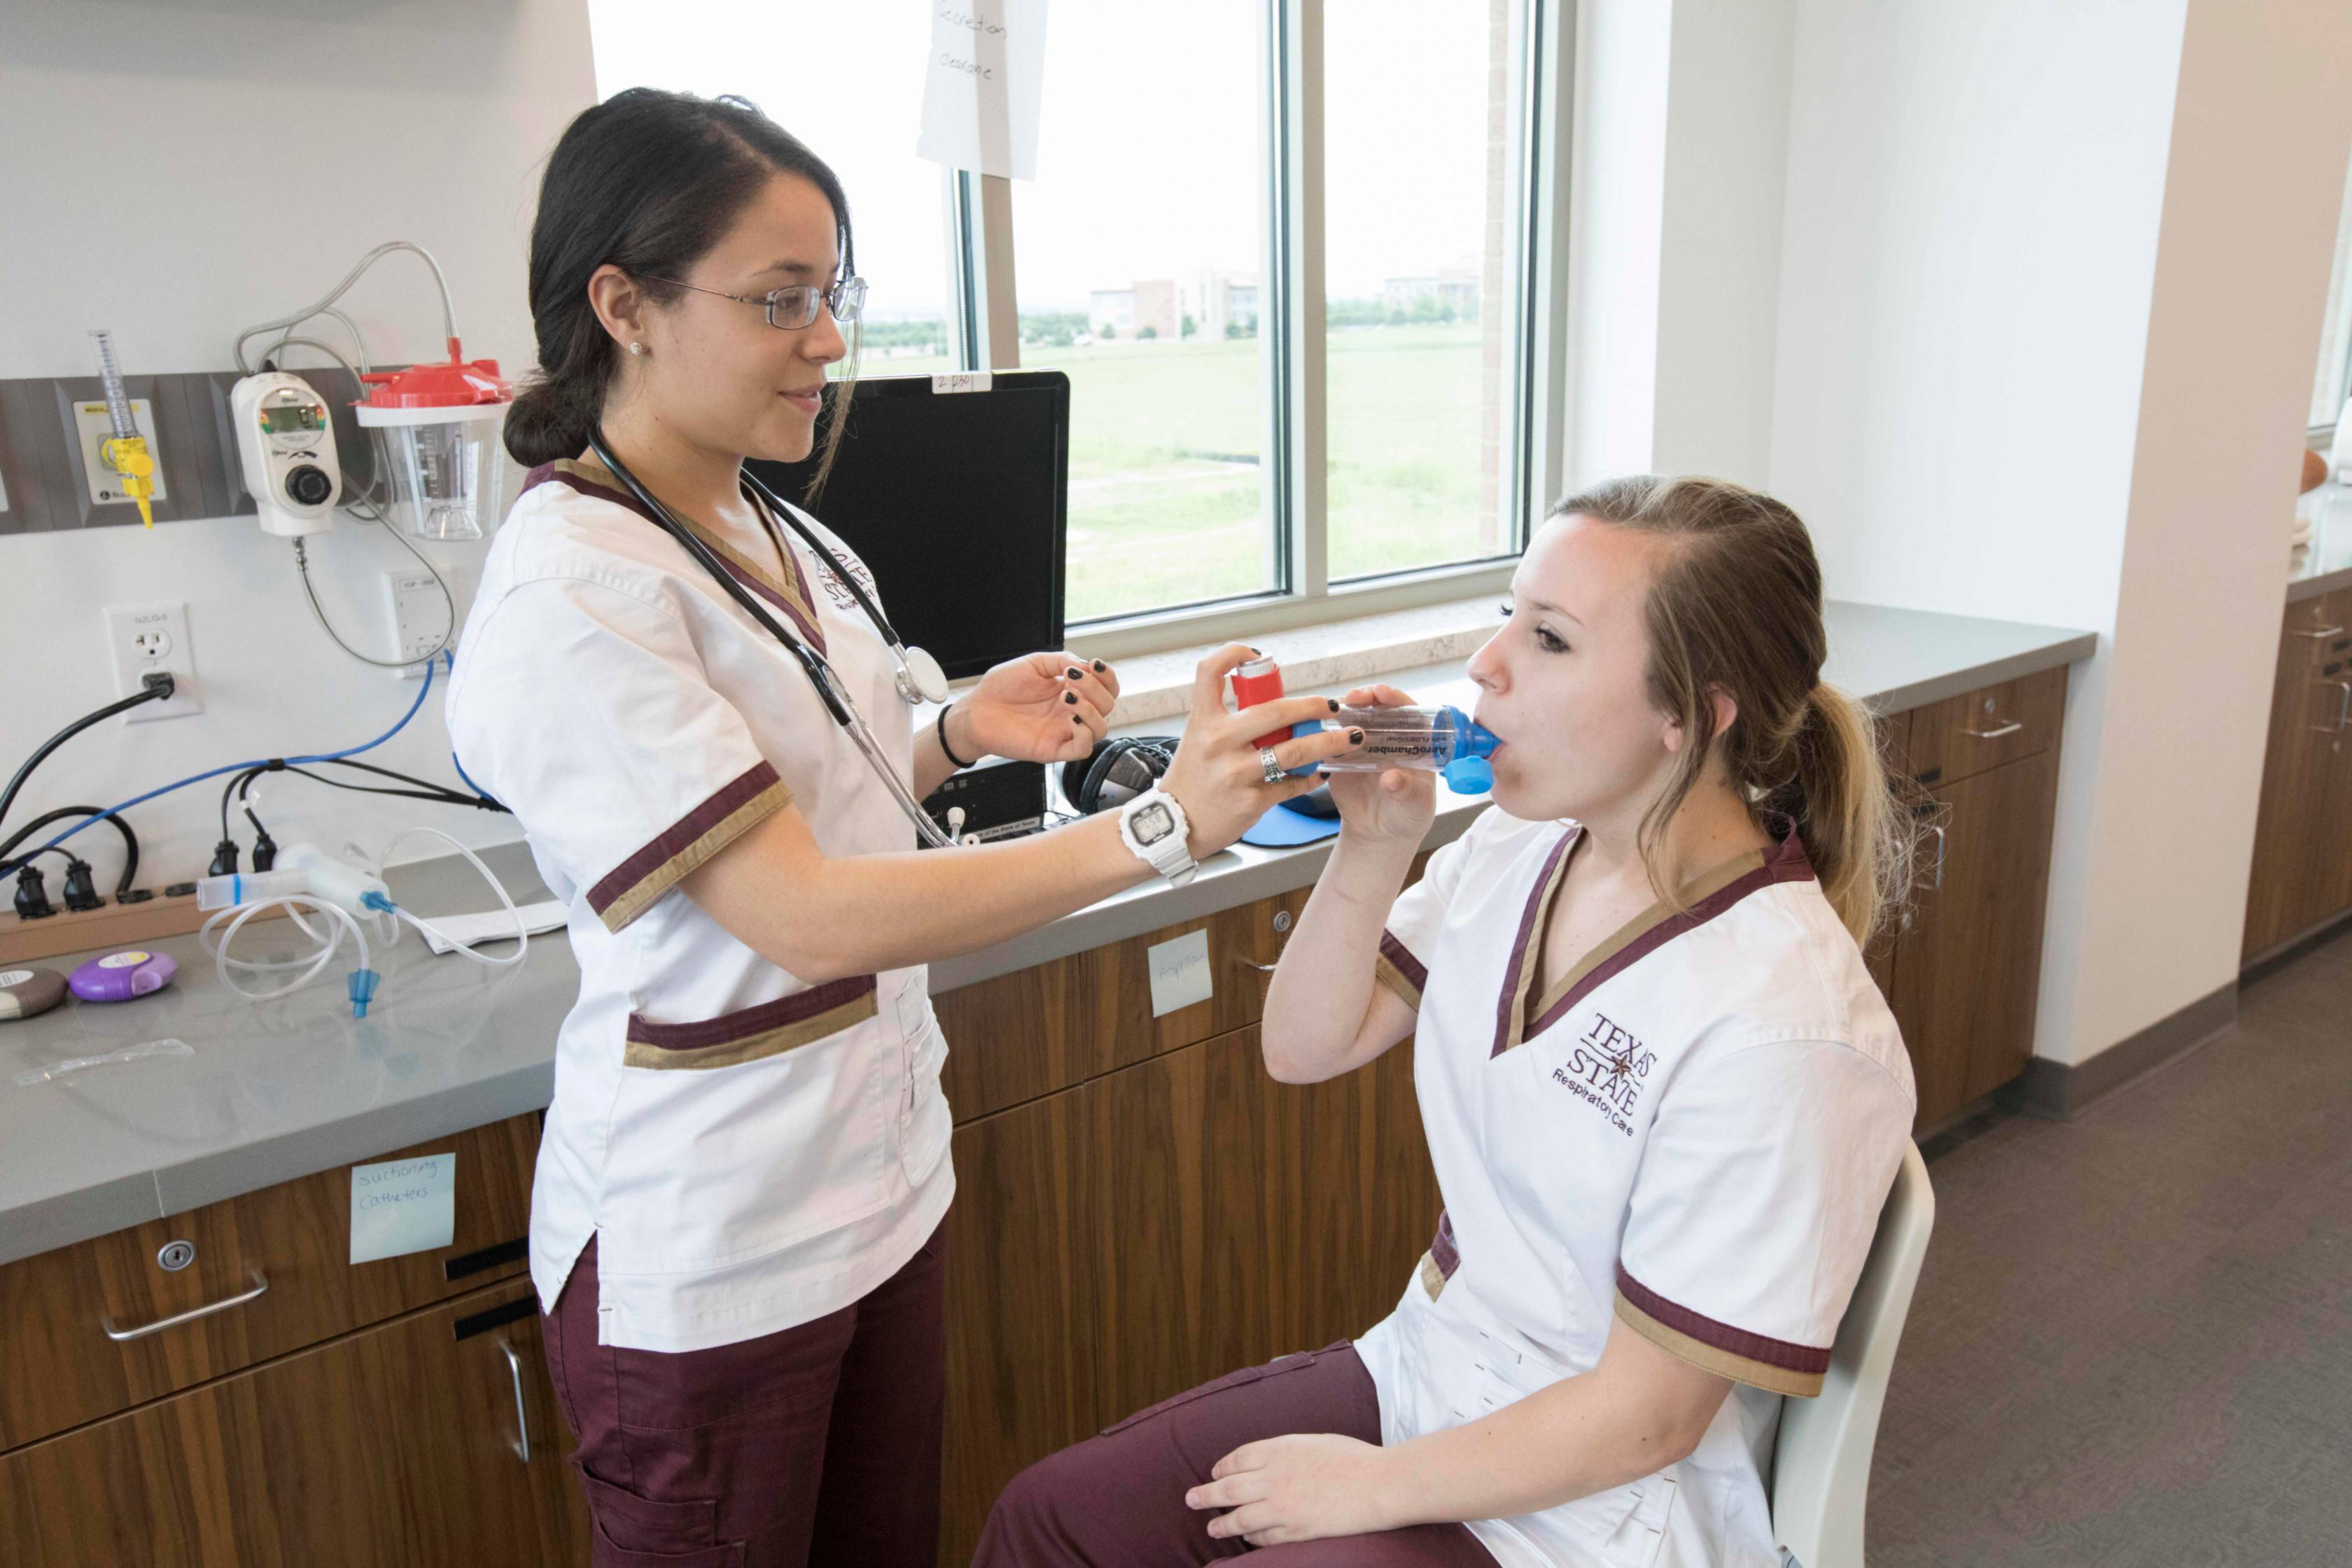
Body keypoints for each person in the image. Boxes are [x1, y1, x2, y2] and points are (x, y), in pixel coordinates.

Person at [444, 89, 1357, 1568]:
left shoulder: (782, 529)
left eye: (835, 296)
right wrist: (1164, 828)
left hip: (875, 1183)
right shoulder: (575, 597)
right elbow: (797, 906)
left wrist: (955, 730)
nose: (828, 341)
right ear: (625, 305)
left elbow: (836, 776)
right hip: (715, 1246)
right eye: (781, 300)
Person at [975, 475, 1919, 1567]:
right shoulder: (1523, 846)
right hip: (1434, 1367)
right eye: (1510, 613)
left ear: (1693, 715)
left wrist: (1369, 1488)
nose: (1488, 664)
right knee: (1047, 1521)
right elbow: (1304, 1048)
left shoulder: (1788, 1031)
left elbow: (1650, 1418)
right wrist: (1373, 846)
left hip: (1596, 1508)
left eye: (1551, 641)